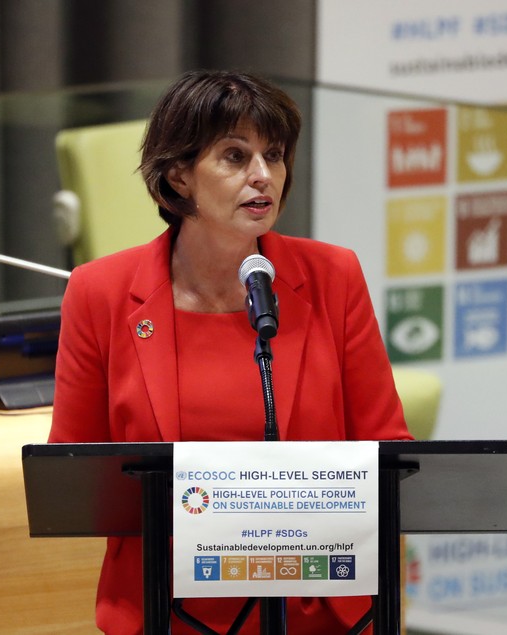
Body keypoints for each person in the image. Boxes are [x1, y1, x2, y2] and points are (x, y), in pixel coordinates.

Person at [49, 69, 412, 635]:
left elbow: (388, 449)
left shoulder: (331, 277)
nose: (263, 176)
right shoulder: (100, 293)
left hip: (314, 607)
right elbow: (75, 481)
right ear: (178, 175)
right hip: (166, 610)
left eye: (275, 155)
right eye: (235, 156)